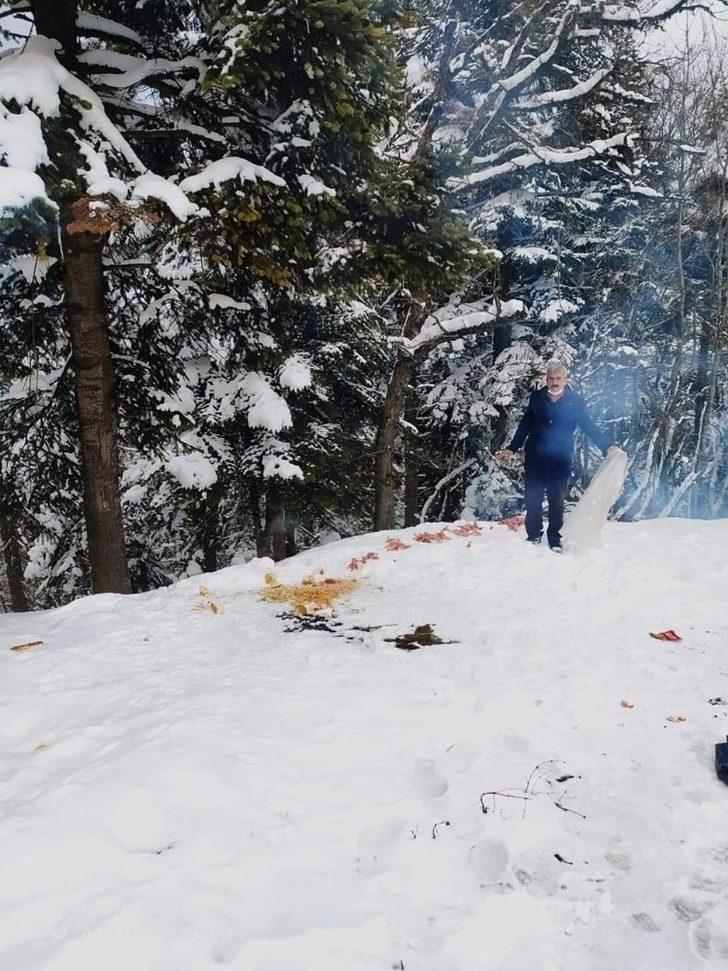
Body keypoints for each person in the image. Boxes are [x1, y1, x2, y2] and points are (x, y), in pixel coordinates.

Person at [496, 362, 620, 552]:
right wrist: (512, 448)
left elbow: (588, 426)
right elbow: (525, 425)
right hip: (535, 457)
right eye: (551, 379)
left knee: (557, 502)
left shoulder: (575, 402)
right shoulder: (537, 398)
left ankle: (554, 539)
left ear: (565, 379)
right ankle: (534, 535)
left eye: (558, 378)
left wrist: (607, 446)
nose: (554, 382)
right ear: (546, 380)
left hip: (560, 460)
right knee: (533, 499)